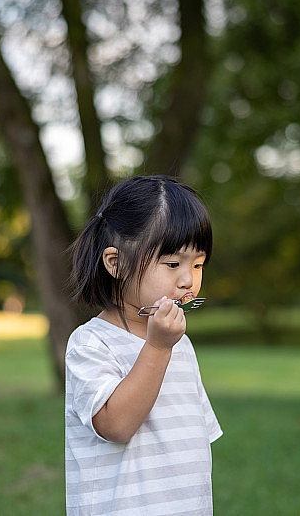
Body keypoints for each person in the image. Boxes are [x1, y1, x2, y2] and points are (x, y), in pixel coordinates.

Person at [65, 175, 222, 515]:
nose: (188, 280)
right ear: (116, 263)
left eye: (197, 265)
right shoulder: (90, 344)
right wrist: (158, 348)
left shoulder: (181, 345)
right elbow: (116, 426)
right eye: (172, 264)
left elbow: (194, 442)